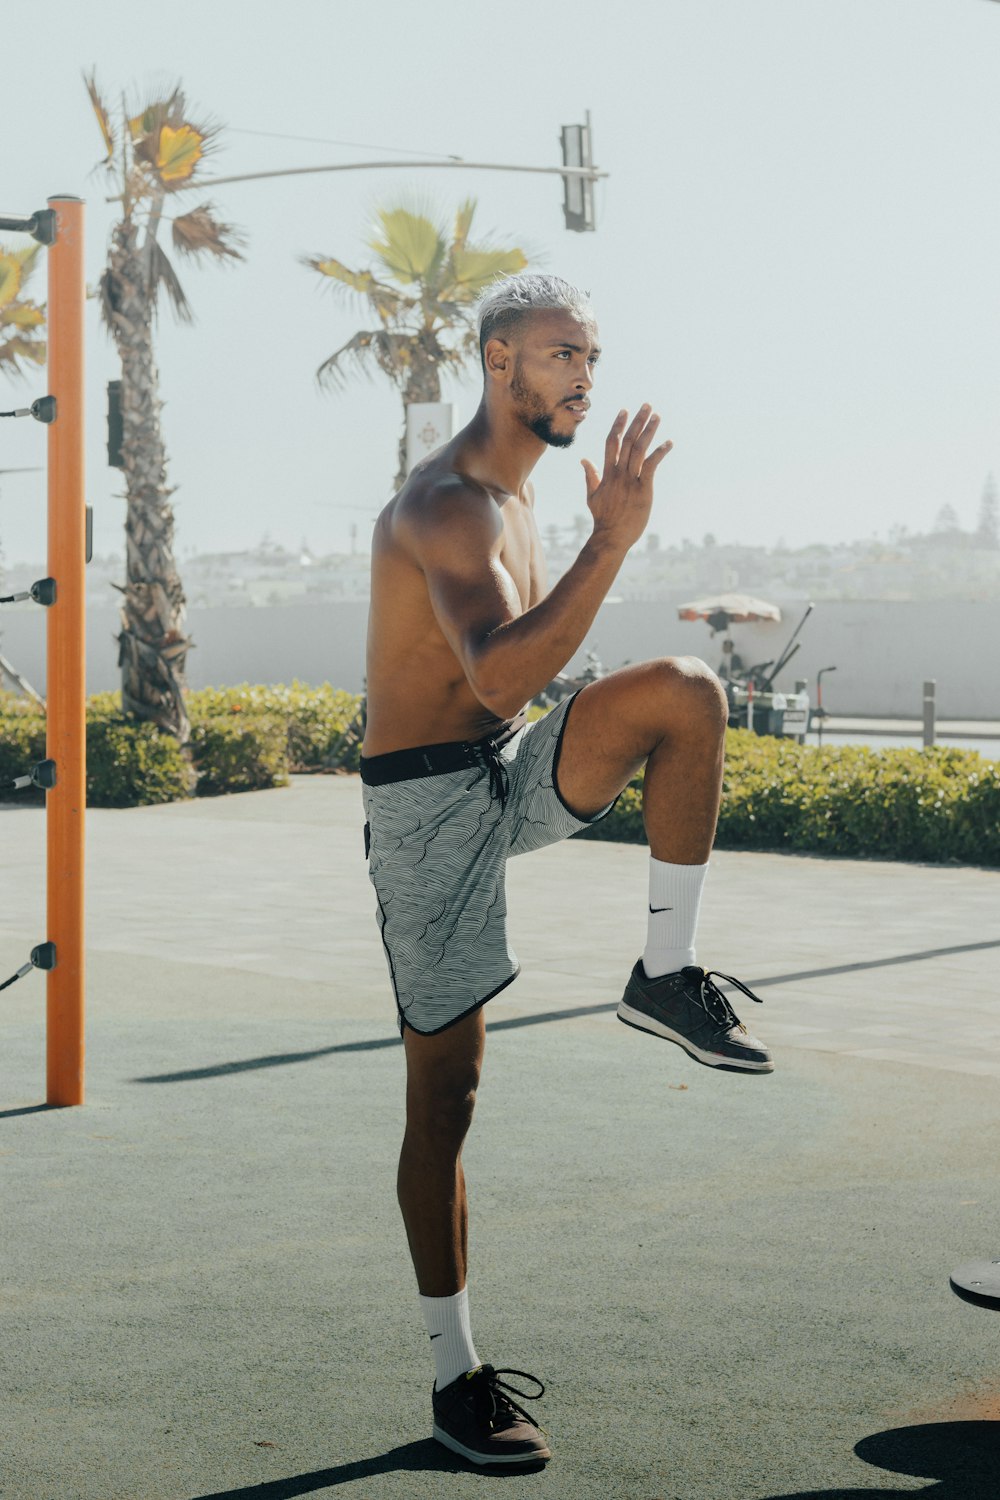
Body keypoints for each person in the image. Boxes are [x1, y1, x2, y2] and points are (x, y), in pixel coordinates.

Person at [359, 273, 772, 1470]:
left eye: (589, 354)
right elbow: (494, 674)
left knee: (686, 694)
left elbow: (512, 702)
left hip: (503, 766)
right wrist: (612, 541)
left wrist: (598, 538)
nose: (584, 375)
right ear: (498, 362)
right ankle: (455, 1379)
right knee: (447, 1098)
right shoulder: (448, 506)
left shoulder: (525, 498)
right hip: (426, 810)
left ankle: (664, 971)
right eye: (558, 355)